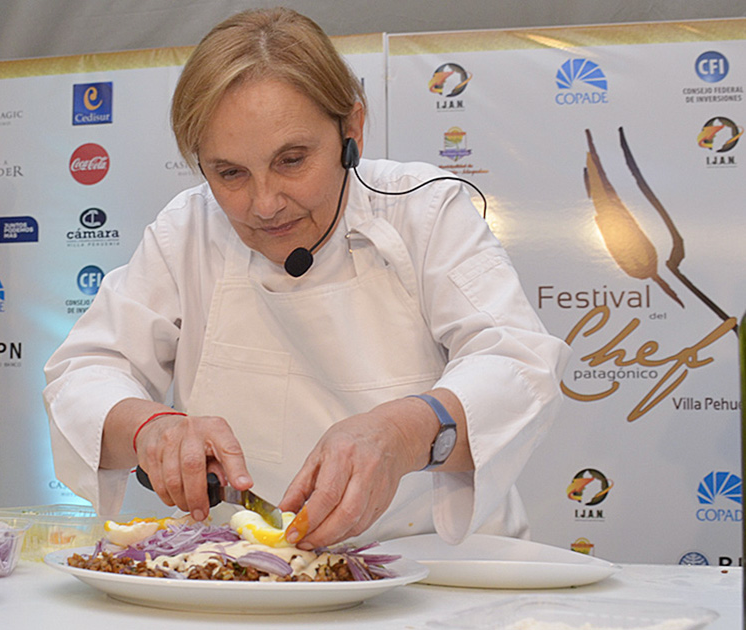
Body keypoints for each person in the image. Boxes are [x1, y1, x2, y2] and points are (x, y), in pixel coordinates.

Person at [43, 7, 570, 549]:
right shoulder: (187, 229)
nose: (265, 204)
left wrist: (404, 433)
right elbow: (84, 372)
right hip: (253, 568)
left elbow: (515, 363)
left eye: (292, 160)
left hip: (438, 569)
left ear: (352, 130)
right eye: (230, 174)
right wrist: (151, 429)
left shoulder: (425, 211)